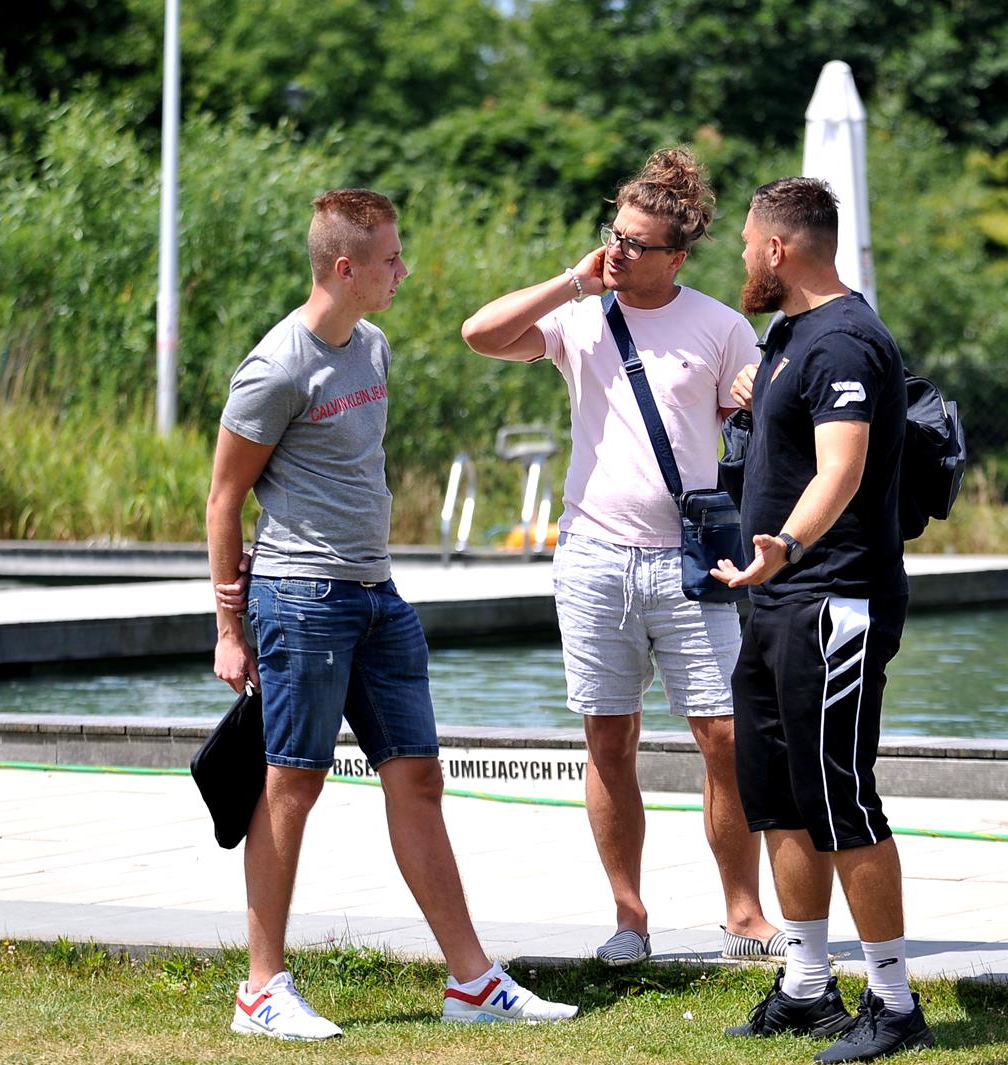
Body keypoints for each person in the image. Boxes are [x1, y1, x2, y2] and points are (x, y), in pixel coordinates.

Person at [207, 188, 577, 1040]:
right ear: (346, 268)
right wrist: (229, 627)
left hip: (378, 596)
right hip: (300, 597)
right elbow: (224, 500)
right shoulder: (276, 367)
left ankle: (472, 981)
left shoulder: (372, 347)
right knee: (291, 782)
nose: (403, 270)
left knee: (417, 776)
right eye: (390, 259)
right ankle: (260, 990)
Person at [461, 149, 784, 966]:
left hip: (691, 560)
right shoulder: (581, 317)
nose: (620, 250)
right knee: (609, 738)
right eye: (615, 234)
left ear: (677, 257)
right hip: (594, 557)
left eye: (638, 244)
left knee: (724, 735)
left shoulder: (719, 325)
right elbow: (480, 334)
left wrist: (755, 397)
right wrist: (572, 281)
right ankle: (629, 918)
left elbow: (758, 419)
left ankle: (744, 914)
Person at [713, 177, 935, 1062]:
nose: (742, 256)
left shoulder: (844, 337)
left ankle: (895, 1001)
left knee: (841, 796)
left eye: (746, 242)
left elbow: (841, 467)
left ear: (778, 248)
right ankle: (807, 988)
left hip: (833, 597)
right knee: (777, 796)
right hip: (777, 599)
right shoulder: (792, 336)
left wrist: (789, 545)